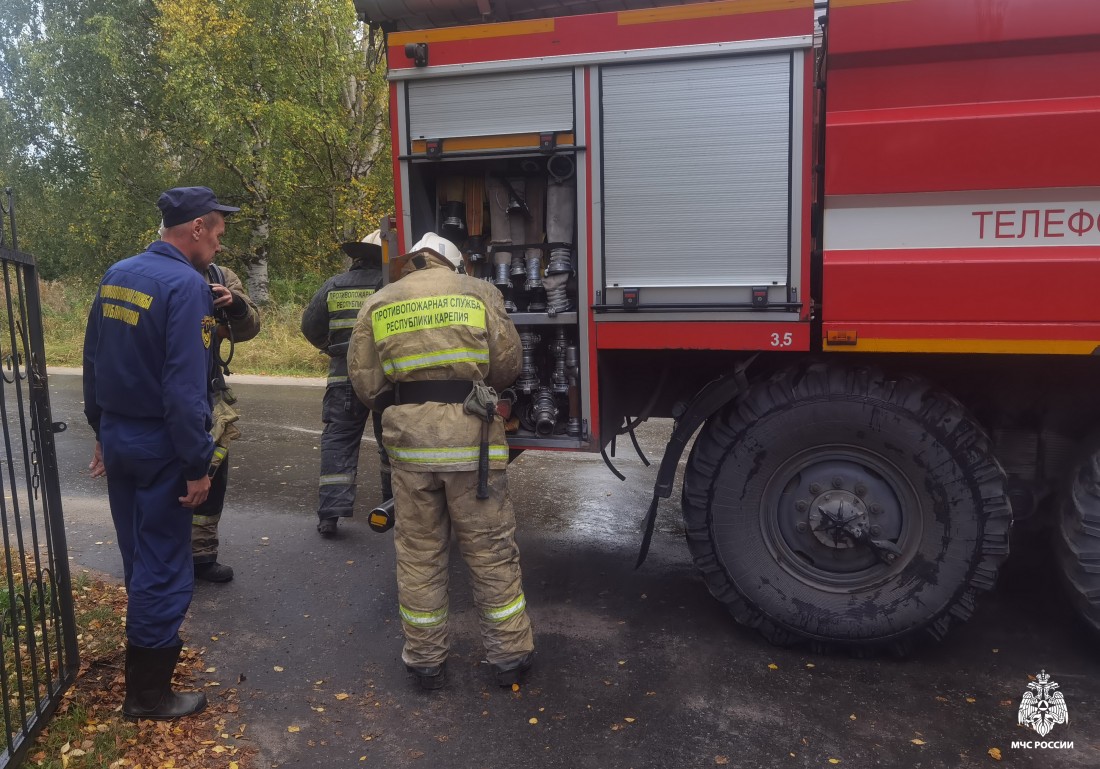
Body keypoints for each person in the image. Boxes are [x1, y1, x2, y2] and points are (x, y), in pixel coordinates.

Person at [347, 232, 535, 690]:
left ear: (414, 260)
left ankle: (424, 662)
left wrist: (408, 404)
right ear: (453, 263)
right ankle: (509, 657)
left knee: (419, 555)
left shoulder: (380, 301)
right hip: (472, 448)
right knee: (490, 552)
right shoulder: (479, 292)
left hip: (411, 449)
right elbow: (507, 365)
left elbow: (366, 384)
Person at [83, 185, 239, 720]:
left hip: (121, 437)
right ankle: (148, 696)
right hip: (161, 446)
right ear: (196, 228)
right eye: (217, 233)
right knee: (166, 565)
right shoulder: (186, 286)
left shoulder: (118, 273)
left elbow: (93, 360)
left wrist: (101, 431)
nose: (219, 245)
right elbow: (184, 389)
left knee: (138, 555)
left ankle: (144, 666)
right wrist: (197, 465)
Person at [301, 230, 390, 537]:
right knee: (391, 443)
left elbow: (310, 327)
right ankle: (393, 507)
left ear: (357, 256)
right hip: (383, 378)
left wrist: (335, 349)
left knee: (338, 441)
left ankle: (330, 516)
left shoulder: (334, 284)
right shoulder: (391, 286)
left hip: (343, 377)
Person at [192, 263, 260, 581]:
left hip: (208, 390)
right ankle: (161, 554)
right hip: (162, 389)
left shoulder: (221, 277)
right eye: (216, 239)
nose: (219, 246)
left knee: (212, 473)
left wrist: (235, 304)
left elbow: (249, 327)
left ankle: (201, 556)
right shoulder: (155, 273)